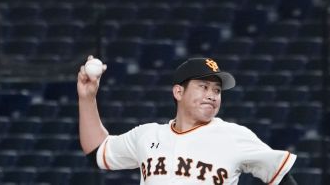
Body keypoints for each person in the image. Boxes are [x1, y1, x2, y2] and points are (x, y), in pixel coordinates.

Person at [78, 55, 298, 184]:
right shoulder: (147, 135)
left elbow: (280, 174)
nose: (212, 95)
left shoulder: (234, 136)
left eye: (217, 90)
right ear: (178, 92)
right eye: (203, 87)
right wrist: (87, 97)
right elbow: (96, 151)